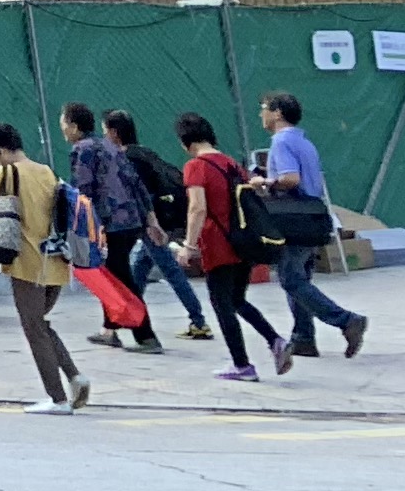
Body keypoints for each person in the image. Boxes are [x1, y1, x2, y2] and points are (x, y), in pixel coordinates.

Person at [0, 121, 89, 413]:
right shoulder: (46, 171)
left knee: (33, 328)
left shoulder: (6, 172)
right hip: (55, 261)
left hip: (27, 263)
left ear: (0, 150)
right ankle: (75, 376)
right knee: (39, 323)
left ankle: (58, 399)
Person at [174, 109, 287, 381]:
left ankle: (242, 365)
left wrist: (189, 245)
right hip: (243, 242)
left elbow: (197, 208)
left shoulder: (195, 167)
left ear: (186, 142)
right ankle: (275, 340)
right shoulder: (232, 164)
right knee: (237, 299)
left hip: (218, 244)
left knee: (221, 304)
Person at [258, 91, 369, 362]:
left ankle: (346, 320)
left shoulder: (281, 141)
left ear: (277, 113)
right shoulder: (303, 142)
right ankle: (303, 337)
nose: (261, 114)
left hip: (293, 218)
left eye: (264, 108)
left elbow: (290, 179)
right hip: (312, 216)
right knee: (299, 278)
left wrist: (264, 182)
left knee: (291, 278)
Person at [63, 101, 164, 355]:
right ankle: (109, 330)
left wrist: (78, 228)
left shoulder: (82, 149)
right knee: (112, 275)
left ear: (73, 126)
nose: (62, 129)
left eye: (63, 124)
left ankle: (147, 336)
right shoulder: (110, 145)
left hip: (107, 224)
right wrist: (151, 220)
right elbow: (136, 184)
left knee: (120, 279)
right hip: (130, 220)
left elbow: (83, 191)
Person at [105, 108, 212, 341]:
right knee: (139, 267)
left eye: (106, 131)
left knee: (170, 270)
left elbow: (138, 194)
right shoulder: (143, 152)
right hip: (160, 217)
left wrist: (149, 222)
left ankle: (199, 321)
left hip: (151, 222)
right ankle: (119, 321)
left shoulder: (126, 158)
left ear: (114, 132)